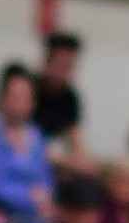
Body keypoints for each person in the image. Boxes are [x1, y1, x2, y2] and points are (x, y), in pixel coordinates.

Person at [0, 63, 55, 223]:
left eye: (25, 98)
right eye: (14, 97)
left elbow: (45, 178)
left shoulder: (36, 136)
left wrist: (45, 199)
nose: (19, 104)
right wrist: (31, 198)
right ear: (2, 98)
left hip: (34, 216)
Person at [34, 31, 92, 171]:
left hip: (55, 158)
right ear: (47, 61)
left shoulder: (70, 97)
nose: (63, 72)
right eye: (59, 64)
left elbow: (76, 137)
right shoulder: (30, 90)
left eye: (69, 66)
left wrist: (83, 159)